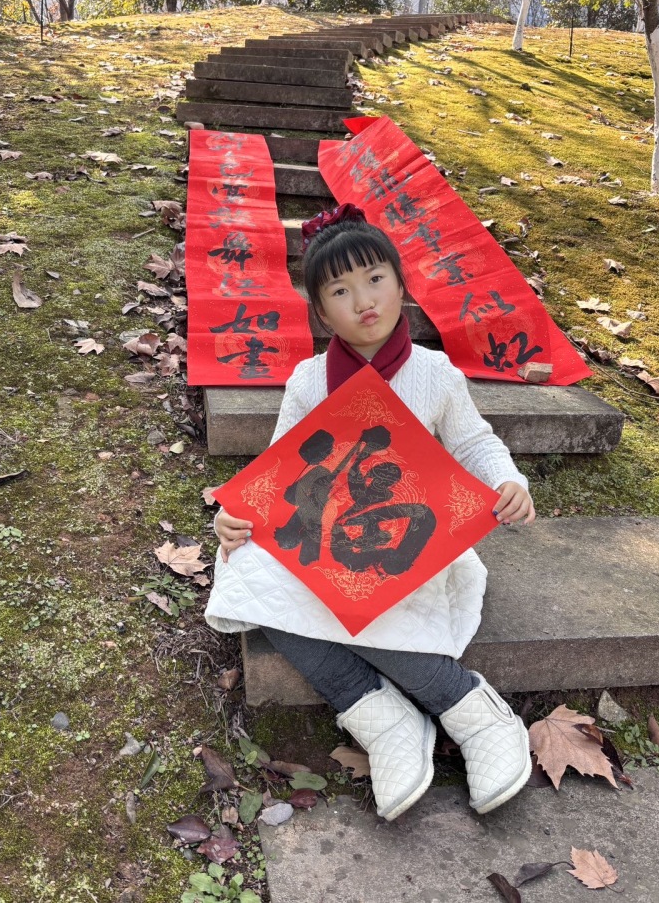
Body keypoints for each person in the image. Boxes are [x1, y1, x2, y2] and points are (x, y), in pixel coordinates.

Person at [205, 208, 535, 822]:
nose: (364, 302)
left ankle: (471, 711)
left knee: (376, 598)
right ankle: (382, 719)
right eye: (340, 291)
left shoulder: (434, 373)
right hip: (331, 538)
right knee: (245, 573)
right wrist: (234, 517)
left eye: (375, 279)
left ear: (401, 285)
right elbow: (279, 472)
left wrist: (507, 480)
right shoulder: (309, 381)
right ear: (320, 312)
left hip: (411, 541)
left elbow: (474, 443)